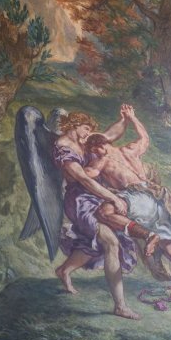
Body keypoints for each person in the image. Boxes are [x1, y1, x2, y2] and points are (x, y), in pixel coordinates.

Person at [79, 104, 171, 309]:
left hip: (137, 199)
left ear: (99, 146)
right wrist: (132, 117)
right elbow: (145, 138)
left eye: (94, 149)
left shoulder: (102, 161)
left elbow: (84, 176)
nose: (95, 152)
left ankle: (149, 235)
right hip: (157, 202)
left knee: (104, 212)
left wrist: (71, 159)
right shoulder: (129, 150)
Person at [51, 107, 143, 318]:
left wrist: (124, 120)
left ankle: (64, 270)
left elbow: (109, 136)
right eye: (85, 129)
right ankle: (120, 306)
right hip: (79, 201)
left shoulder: (83, 142)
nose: (87, 134)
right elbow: (84, 179)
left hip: (95, 197)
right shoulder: (62, 147)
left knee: (95, 242)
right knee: (110, 241)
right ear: (74, 125)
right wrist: (112, 197)